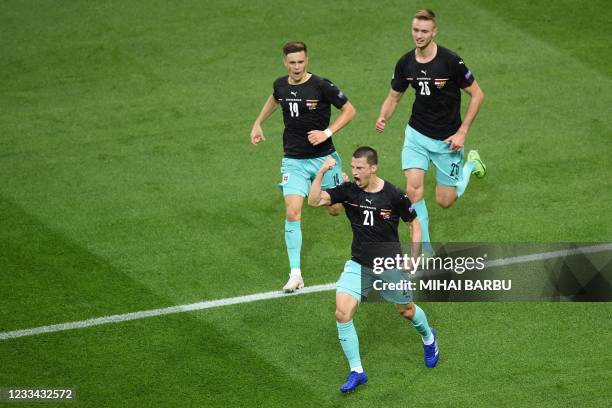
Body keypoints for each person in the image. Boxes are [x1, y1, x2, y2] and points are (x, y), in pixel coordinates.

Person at [308, 147, 439, 393]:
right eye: (353, 167)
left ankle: (429, 338)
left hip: (388, 265)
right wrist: (321, 172)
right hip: (358, 263)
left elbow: (414, 223)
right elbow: (314, 200)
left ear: (373, 168)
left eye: (360, 168)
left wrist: (413, 257)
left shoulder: (394, 196)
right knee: (342, 313)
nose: (355, 173)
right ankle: (357, 371)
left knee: (407, 311)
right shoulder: (348, 191)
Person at [375, 9, 486, 250]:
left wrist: (463, 132)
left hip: (448, 140)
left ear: (434, 32)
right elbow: (394, 97)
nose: (419, 35)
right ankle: (425, 251)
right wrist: (383, 116)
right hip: (417, 135)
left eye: (424, 31)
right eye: (415, 30)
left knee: (445, 201)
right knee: (413, 192)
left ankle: (471, 165)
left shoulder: (450, 61)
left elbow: (477, 95)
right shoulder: (405, 63)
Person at [251, 41, 356, 292]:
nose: (297, 67)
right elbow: (274, 99)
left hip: (324, 158)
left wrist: (327, 132)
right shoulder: (281, 84)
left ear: (306, 60)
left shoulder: (322, 86)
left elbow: (350, 110)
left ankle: (341, 180)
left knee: (334, 210)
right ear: (285, 63)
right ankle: (295, 274)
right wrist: (258, 123)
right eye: (292, 62)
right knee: (292, 212)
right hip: (294, 160)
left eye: (300, 62)